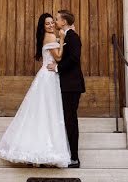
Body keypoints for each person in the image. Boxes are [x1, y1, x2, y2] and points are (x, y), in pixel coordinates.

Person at [0, 13, 72, 168]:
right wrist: (62, 39)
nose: (50, 25)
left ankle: (38, 149)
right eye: (47, 24)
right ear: (42, 27)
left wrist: (60, 38)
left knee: (41, 112)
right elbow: (58, 58)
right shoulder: (50, 38)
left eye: (51, 23)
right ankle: (43, 151)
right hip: (48, 78)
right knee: (47, 111)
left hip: (46, 76)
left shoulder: (48, 37)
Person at [48, 9, 85, 168]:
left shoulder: (73, 37)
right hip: (67, 85)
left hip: (71, 85)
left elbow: (74, 59)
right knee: (67, 119)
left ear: (64, 22)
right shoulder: (67, 36)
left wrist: (57, 67)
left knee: (70, 120)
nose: (55, 22)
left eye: (57, 20)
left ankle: (75, 158)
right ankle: (68, 153)